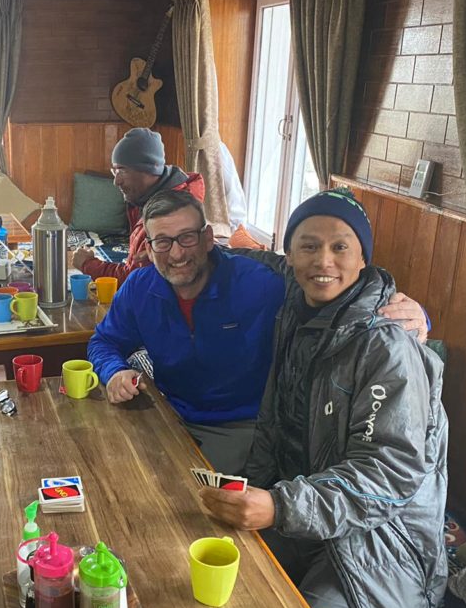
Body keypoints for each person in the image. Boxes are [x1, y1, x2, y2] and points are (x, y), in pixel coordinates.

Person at [200, 191, 448, 608]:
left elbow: (387, 472)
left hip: (382, 548)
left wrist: (280, 507)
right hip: (307, 519)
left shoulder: (387, 345)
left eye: (341, 246)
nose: (324, 261)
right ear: (291, 256)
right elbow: (250, 257)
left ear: (365, 258)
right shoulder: (298, 307)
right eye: (308, 246)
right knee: (202, 604)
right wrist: (192, 244)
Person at [87, 189, 429, 475]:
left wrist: (419, 317)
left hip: (242, 427)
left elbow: (340, 298)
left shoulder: (260, 284)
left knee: (182, 500)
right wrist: (114, 370)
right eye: (162, 242)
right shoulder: (139, 287)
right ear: (147, 248)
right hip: (167, 413)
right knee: (109, 470)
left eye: (187, 238)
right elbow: (104, 341)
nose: (176, 253)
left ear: (207, 239)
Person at [71, 127, 204, 286]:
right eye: (115, 171)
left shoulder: (166, 216)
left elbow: (132, 281)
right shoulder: (144, 199)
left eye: (122, 171)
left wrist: (88, 264)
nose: (116, 181)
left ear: (149, 170)